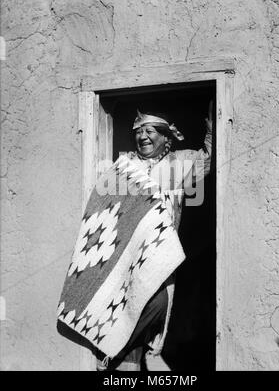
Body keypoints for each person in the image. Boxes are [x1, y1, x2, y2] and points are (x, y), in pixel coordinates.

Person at [96, 104, 213, 371]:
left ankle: (120, 350)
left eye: (149, 131)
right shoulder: (125, 164)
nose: (142, 136)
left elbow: (208, 157)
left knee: (158, 303)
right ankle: (125, 356)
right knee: (126, 309)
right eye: (138, 132)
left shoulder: (181, 162)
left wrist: (212, 121)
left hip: (161, 251)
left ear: (165, 137)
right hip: (127, 253)